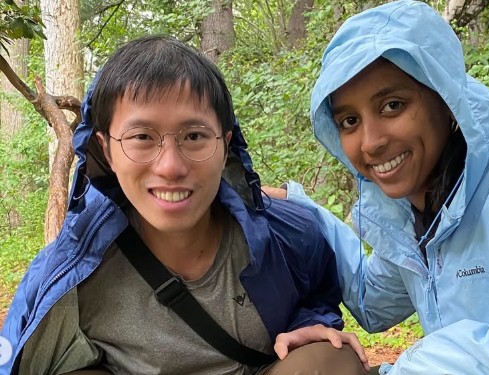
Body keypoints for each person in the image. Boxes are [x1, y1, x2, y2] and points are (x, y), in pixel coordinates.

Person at [268, 1, 489, 373]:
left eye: (392, 105)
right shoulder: (413, 211)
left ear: (447, 98)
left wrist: (421, 364)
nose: (370, 142)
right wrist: (300, 210)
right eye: (350, 120)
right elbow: (372, 302)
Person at [0, 36, 369, 375]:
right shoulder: (72, 271)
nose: (171, 166)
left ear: (225, 144)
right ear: (106, 149)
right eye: (142, 137)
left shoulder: (288, 236)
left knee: (331, 360)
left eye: (194, 136)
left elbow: (318, 296)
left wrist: (307, 324)